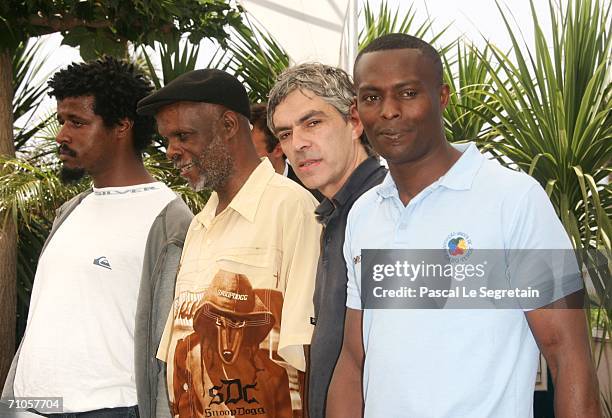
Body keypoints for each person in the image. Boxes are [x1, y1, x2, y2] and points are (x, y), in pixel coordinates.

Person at [328, 34, 602, 417]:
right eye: (372, 97)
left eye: (407, 93)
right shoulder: (364, 214)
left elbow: (567, 355)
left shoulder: (515, 199)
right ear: (357, 110)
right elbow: (355, 359)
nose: (389, 111)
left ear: (441, 97)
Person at [2, 56, 193, 417]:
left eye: (77, 122)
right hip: (28, 404)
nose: (61, 135)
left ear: (121, 126)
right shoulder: (71, 210)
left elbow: (176, 343)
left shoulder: (169, 219)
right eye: (61, 121)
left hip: (108, 407)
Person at [136, 69, 321, 418]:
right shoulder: (199, 225)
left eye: (182, 135)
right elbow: (177, 356)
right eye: (166, 140)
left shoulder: (291, 208)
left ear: (229, 126)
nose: (172, 151)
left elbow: (307, 351)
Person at [267, 63, 386, 418]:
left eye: (313, 122)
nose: (298, 143)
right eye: (285, 134)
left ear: (354, 122)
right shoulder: (332, 214)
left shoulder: (387, 209)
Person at [251, 103, 323, 201]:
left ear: (278, 150)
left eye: (251, 150)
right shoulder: (237, 190)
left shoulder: (312, 193)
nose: (241, 156)